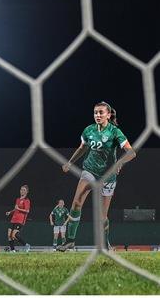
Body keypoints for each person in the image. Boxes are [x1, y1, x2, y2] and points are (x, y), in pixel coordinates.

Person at [58, 102, 136, 252]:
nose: (98, 115)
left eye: (101, 113)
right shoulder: (89, 130)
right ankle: (70, 241)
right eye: (95, 113)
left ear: (108, 115)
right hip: (90, 171)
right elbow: (82, 148)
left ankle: (105, 243)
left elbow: (131, 153)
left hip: (108, 176)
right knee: (76, 203)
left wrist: (119, 162)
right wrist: (70, 162)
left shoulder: (115, 132)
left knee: (102, 217)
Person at [5, 185, 31, 252]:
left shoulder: (26, 200)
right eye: (21, 189)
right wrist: (10, 212)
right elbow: (16, 209)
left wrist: (19, 208)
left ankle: (26, 245)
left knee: (14, 235)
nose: (22, 191)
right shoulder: (18, 199)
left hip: (20, 220)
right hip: (13, 219)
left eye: (24, 190)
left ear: (27, 192)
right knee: (9, 235)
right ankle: (12, 250)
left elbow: (27, 211)